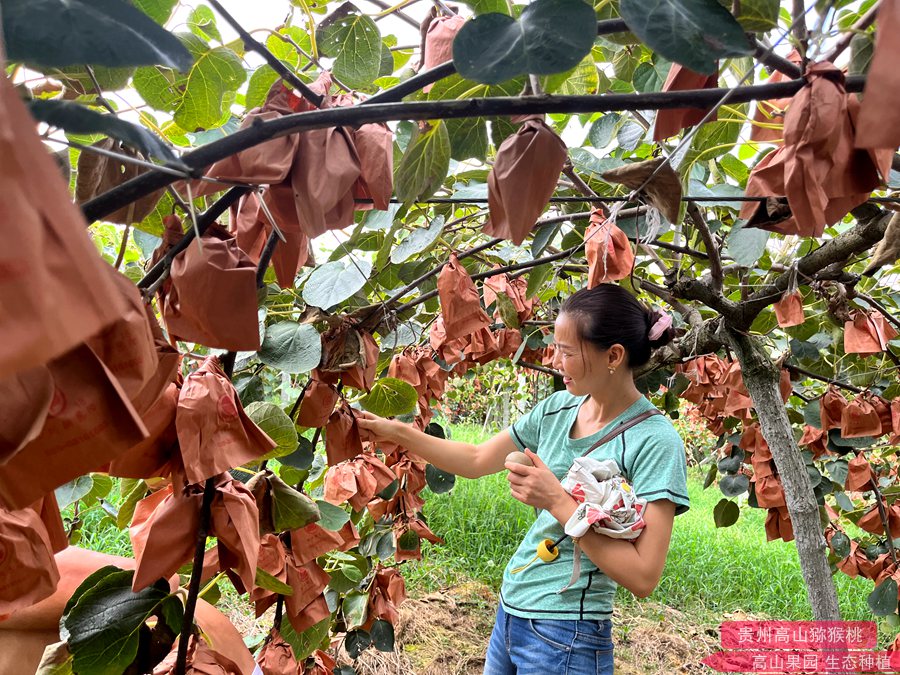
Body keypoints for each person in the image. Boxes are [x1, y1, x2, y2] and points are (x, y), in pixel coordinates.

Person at [357, 284, 690, 675]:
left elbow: (644, 574)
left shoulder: (653, 440)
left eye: (567, 352)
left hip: (569, 635)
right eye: (556, 348)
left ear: (613, 355)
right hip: (511, 613)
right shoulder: (557, 409)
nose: (555, 360)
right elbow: (478, 458)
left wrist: (557, 500)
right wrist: (398, 433)